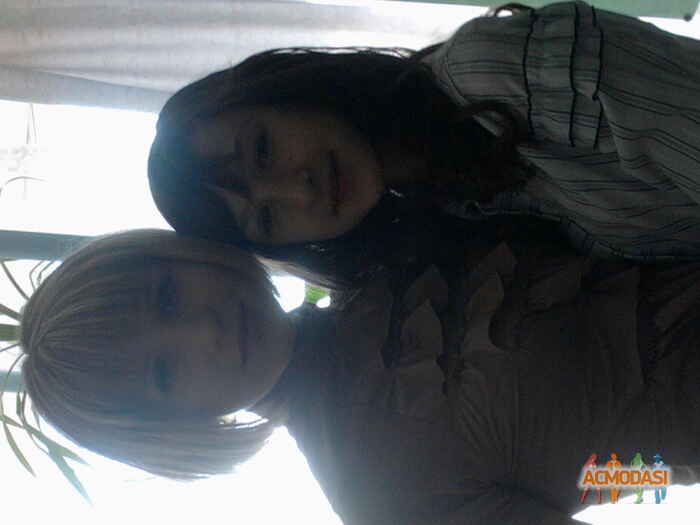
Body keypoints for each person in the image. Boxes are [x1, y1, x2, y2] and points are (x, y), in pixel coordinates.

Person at [16, 228, 700, 523]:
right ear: (179, 428)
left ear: (182, 255)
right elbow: (623, 475)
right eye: (165, 373)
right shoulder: (381, 497)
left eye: (167, 297)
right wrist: (656, 463)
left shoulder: (368, 251)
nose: (204, 332)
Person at [149, 1, 700, 288]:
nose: (299, 190)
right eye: (268, 218)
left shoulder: (493, 72)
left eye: (263, 150)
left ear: (284, 94)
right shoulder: (452, 217)